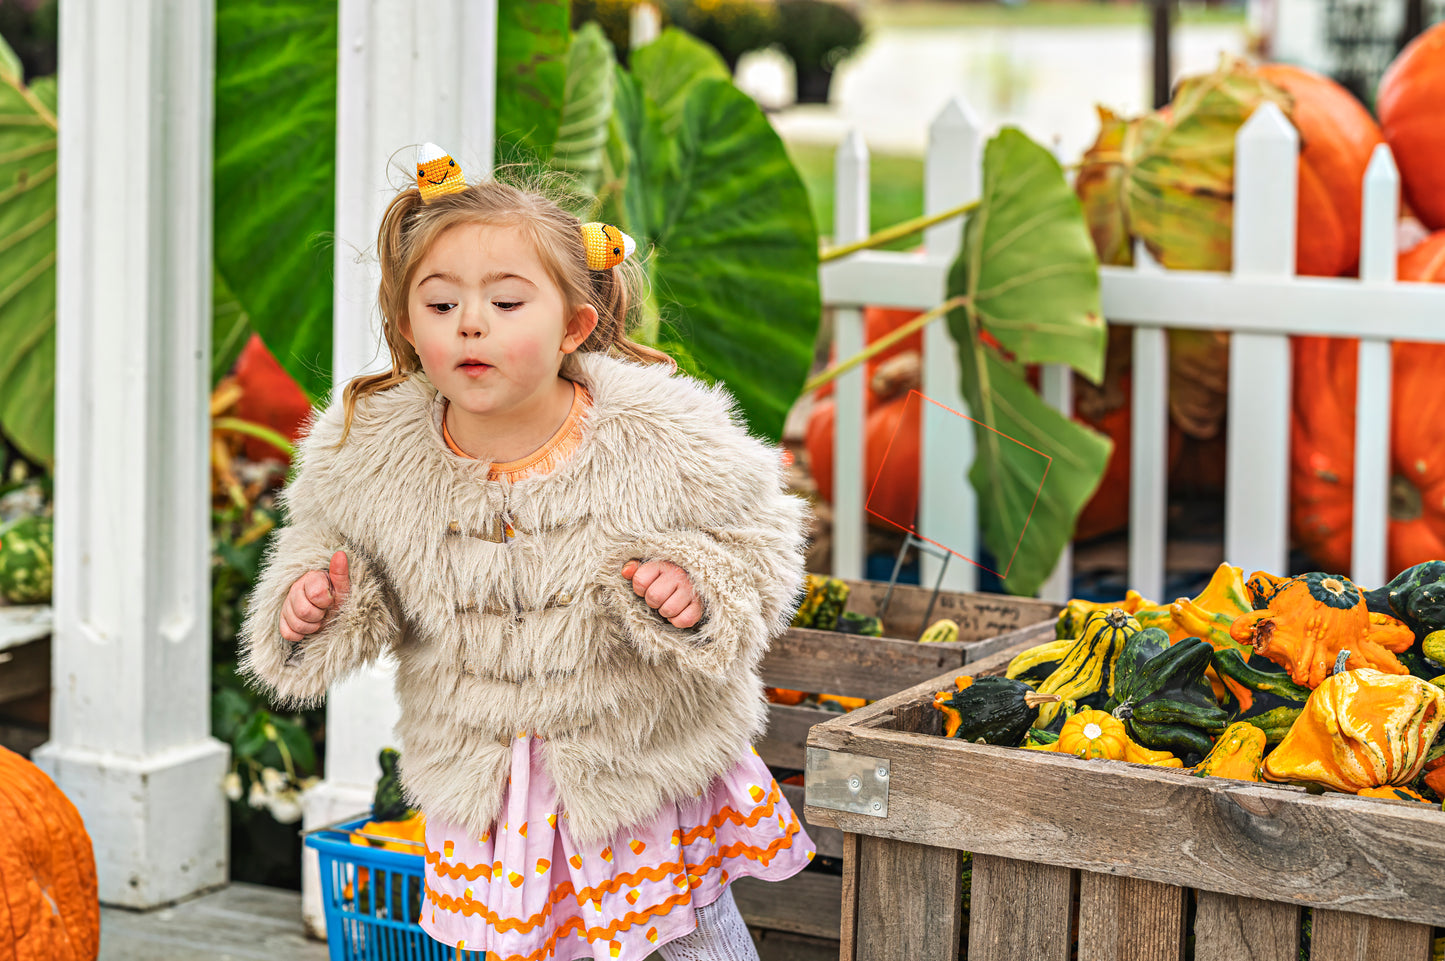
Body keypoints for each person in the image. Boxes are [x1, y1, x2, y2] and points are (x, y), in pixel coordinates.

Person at [239, 145, 815, 961]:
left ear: (573, 324)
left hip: (629, 764)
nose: (470, 324)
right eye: (439, 306)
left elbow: (759, 538)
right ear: (408, 324)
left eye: (506, 302)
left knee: (680, 941)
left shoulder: (658, 436)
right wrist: (314, 601)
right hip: (490, 784)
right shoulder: (370, 453)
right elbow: (326, 547)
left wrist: (698, 589)